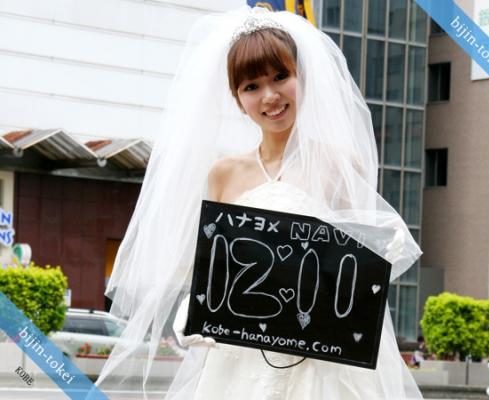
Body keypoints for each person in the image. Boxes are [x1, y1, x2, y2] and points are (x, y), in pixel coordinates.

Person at [97, 7, 423, 400]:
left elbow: (353, 268)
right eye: (251, 86)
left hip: (317, 360)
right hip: (240, 357)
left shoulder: (339, 165)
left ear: (302, 78)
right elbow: (214, 268)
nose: (270, 96)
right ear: (237, 99)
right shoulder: (224, 174)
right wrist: (196, 311)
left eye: (280, 77)